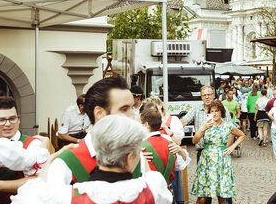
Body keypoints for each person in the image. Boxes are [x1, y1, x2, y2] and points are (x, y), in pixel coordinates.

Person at [12, 115, 173, 204]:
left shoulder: (67, 197)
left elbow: (26, 197)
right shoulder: (152, 188)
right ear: (131, 157)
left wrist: (53, 158)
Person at [46, 76, 140, 185]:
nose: (132, 116)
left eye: (132, 108)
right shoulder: (64, 164)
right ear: (99, 113)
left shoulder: (137, 157)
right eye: (124, 109)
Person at [0, 97, 51, 203]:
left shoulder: (34, 145)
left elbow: (43, 180)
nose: (8, 124)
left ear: (18, 119)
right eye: (1, 120)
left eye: (12, 118)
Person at [191, 100, 245, 204]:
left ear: (221, 112)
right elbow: (194, 141)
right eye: (212, 111)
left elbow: (242, 135)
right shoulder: (206, 125)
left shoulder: (228, 126)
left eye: (217, 111)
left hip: (222, 161)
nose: (214, 113)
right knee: (202, 195)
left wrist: (233, 146)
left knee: (222, 195)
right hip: (207, 161)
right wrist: (203, 128)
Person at [140, 108, 190, 186]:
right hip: (167, 190)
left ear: (146, 124)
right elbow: (180, 166)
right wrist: (181, 150)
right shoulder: (169, 142)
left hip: (149, 191)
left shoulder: (140, 146)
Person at [181, 86, 231, 163]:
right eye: (204, 95)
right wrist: (173, 125)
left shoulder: (223, 109)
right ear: (201, 97)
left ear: (214, 95)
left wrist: (228, 148)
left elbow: (231, 130)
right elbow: (184, 120)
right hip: (202, 151)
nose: (207, 97)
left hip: (220, 152)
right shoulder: (196, 109)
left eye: (209, 94)